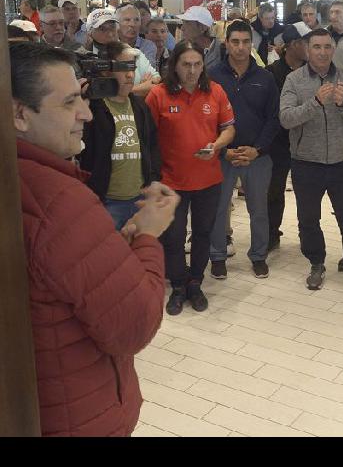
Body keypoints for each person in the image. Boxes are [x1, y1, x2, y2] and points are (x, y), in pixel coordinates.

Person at [12, 42, 179, 436]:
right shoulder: (60, 201)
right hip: (78, 412)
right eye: (70, 102)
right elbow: (133, 323)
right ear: (20, 113)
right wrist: (148, 236)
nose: (86, 113)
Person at [279, 28, 343, 296]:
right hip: (306, 163)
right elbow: (286, 118)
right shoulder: (294, 80)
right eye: (317, 47)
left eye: (327, 47)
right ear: (308, 50)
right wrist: (316, 102)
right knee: (308, 219)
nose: (322, 52)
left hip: (342, 162)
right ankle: (316, 264)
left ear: (334, 49)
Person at [145, 40, 236, 316]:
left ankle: (196, 282)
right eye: (186, 64)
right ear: (175, 65)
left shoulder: (215, 92)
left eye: (197, 64)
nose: (192, 70)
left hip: (208, 180)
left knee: (202, 234)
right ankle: (178, 286)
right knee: (173, 238)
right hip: (171, 182)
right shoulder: (158, 95)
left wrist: (217, 146)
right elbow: (148, 140)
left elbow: (229, 128)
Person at [206, 20, 281, 280]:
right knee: (219, 207)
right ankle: (217, 256)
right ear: (226, 43)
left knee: (259, 208)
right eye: (235, 42)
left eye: (245, 42)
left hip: (256, 155)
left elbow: (274, 118)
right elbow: (206, 119)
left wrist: (257, 149)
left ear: (252, 44)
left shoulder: (265, 77)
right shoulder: (213, 76)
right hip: (223, 155)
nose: (240, 47)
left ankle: (258, 255)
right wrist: (221, 149)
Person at [80, 41, 162, 230]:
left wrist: (153, 180)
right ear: (106, 70)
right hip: (107, 201)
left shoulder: (140, 106)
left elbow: (152, 144)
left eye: (132, 67)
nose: (130, 75)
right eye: (122, 68)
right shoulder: (93, 108)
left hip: (139, 198)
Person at [266, 22, 311, 252]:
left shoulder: (312, 71)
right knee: (274, 190)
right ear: (293, 45)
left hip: (307, 142)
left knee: (307, 194)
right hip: (280, 143)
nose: (311, 48)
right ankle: (272, 233)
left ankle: (308, 236)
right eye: (307, 43)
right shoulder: (272, 73)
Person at [83, 8, 161, 97]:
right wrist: (137, 89)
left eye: (112, 27)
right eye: (102, 29)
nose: (110, 34)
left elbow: (156, 81)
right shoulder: (85, 59)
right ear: (90, 32)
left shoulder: (135, 54)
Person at [116, 4, 158, 69]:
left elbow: (147, 73)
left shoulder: (148, 46)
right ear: (117, 23)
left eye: (137, 20)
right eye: (127, 20)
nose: (133, 24)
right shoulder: (110, 45)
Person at [251, 2, 285, 67]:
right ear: (260, 18)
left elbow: (286, 51)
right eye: (267, 18)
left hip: (277, 67)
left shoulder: (281, 31)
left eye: (272, 18)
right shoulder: (252, 31)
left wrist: (279, 49)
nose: (271, 21)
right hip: (256, 66)